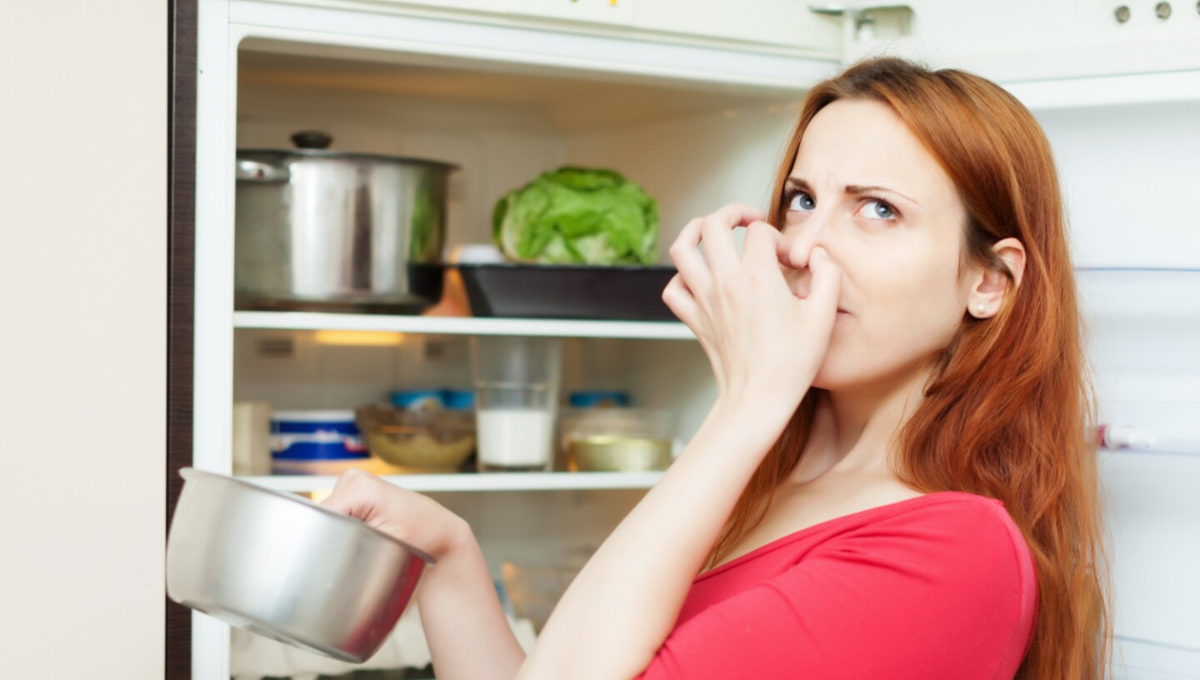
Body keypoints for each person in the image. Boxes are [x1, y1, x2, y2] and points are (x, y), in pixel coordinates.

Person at [322, 56, 1110, 680]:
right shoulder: (768, 483)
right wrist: (449, 558)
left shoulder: (953, 553)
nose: (802, 249)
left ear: (989, 282)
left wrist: (750, 399)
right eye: (802, 199)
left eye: (879, 210)